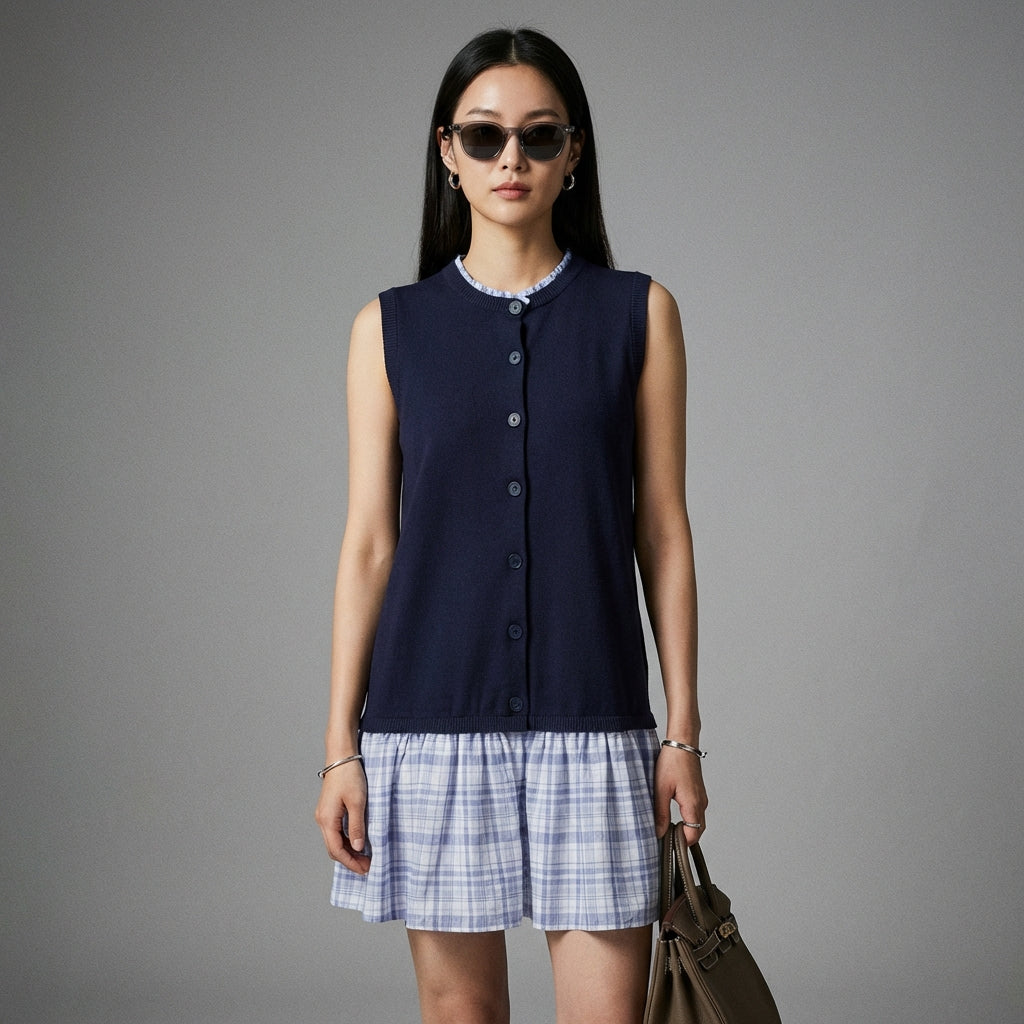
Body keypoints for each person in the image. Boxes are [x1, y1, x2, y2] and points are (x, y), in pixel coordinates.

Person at [315, 27, 707, 1024]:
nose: (512, 160)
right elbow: (369, 544)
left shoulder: (639, 315)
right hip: (428, 726)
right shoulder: (388, 328)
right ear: (446, 152)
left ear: (574, 153)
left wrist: (683, 732)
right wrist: (339, 747)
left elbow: (663, 533)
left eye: (540, 136)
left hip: (594, 720)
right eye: (484, 137)